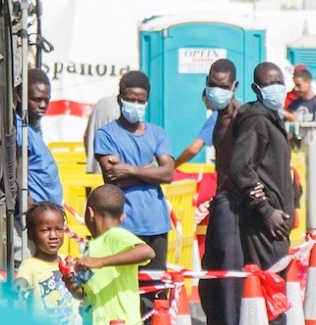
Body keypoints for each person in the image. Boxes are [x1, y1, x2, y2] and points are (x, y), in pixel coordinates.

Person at [228, 62, 299, 325]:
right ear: (257, 88)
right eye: (269, 83)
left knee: (273, 298)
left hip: (276, 223)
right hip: (262, 225)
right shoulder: (256, 119)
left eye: (279, 82)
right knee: (270, 300)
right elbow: (241, 169)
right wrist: (265, 209)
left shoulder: (272, 119)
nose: (276, 88)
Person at [64, 184, 155, 325]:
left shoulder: (115, 235)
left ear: (89, 213)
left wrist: (102, 261)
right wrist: (74, 287)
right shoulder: (93, 247)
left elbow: (147, 251)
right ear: (122, 216)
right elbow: (88, 294)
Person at [93, 71, 174, 272]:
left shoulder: (158, 133)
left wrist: (129, 169)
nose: (136, 105)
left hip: (157, 224)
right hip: (123, 224)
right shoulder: (106, 134)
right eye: (130, 100)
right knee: (124, 285)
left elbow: (168, 174)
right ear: (120, 99)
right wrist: (150, 171)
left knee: (154, 292)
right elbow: (114, 179)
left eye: (141, 101)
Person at [198, 59, 247, 325]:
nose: (217, 90)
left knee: (230, 288)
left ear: (234, 87)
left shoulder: (242, 117)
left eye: (223, 85)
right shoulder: (215, 117)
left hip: (237, 206)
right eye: (212, 84)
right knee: (209, 285)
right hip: (220, 202)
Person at [13, 202, 80, 325]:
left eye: (59, 229)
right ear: (31, 234)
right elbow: (21, 280)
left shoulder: (69, 262)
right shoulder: (30, 265)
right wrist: (18, 289)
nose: (53, 236)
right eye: (45, 230)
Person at [16, 68, 62, 205]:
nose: (43, 105)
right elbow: (20, 185)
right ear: (19, 96)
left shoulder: (32, 129)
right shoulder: (21, 130)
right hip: (38, 218)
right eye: (37, 99)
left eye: (46, 100)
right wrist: (32, 214)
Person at [175, 89, 217, 167]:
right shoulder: (237, 112)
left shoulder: (216, 117)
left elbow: (193, 149)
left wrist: (174, 165)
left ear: (206, 99)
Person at [84, 95, 120, 174]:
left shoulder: (101, 103)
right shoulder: (118, 110)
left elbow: (86, 136)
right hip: (113, 174)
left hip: (93, 170)